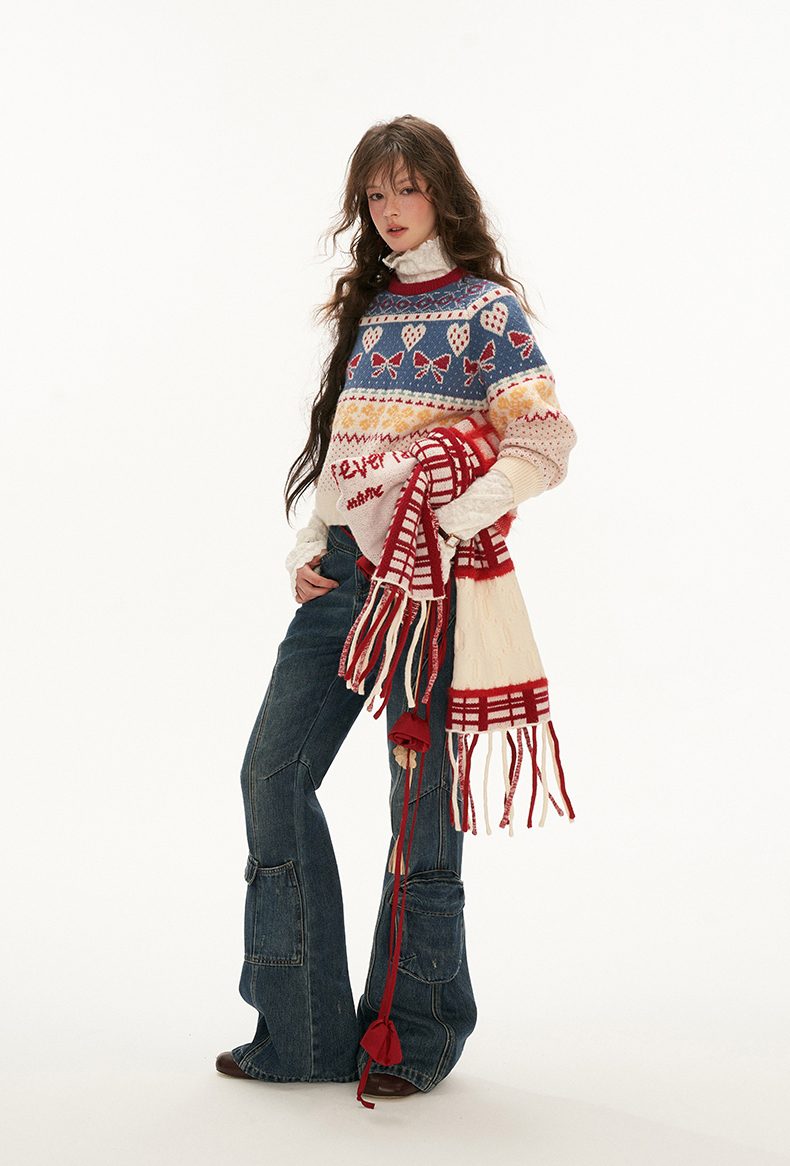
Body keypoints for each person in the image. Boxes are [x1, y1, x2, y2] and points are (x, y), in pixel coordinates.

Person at [215, 115, 577, 1106]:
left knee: (419, 812)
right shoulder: (373, 311)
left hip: (431, 589)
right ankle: (302, 1032)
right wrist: (310, 544)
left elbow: (544, 438)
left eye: (406, 189)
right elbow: (347, 449)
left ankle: (411, 1032)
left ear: (442, 193)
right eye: (374, 195)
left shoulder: (485, 311)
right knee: (272, 773)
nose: (388, 209)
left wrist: (451, 520)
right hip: (346, 579)